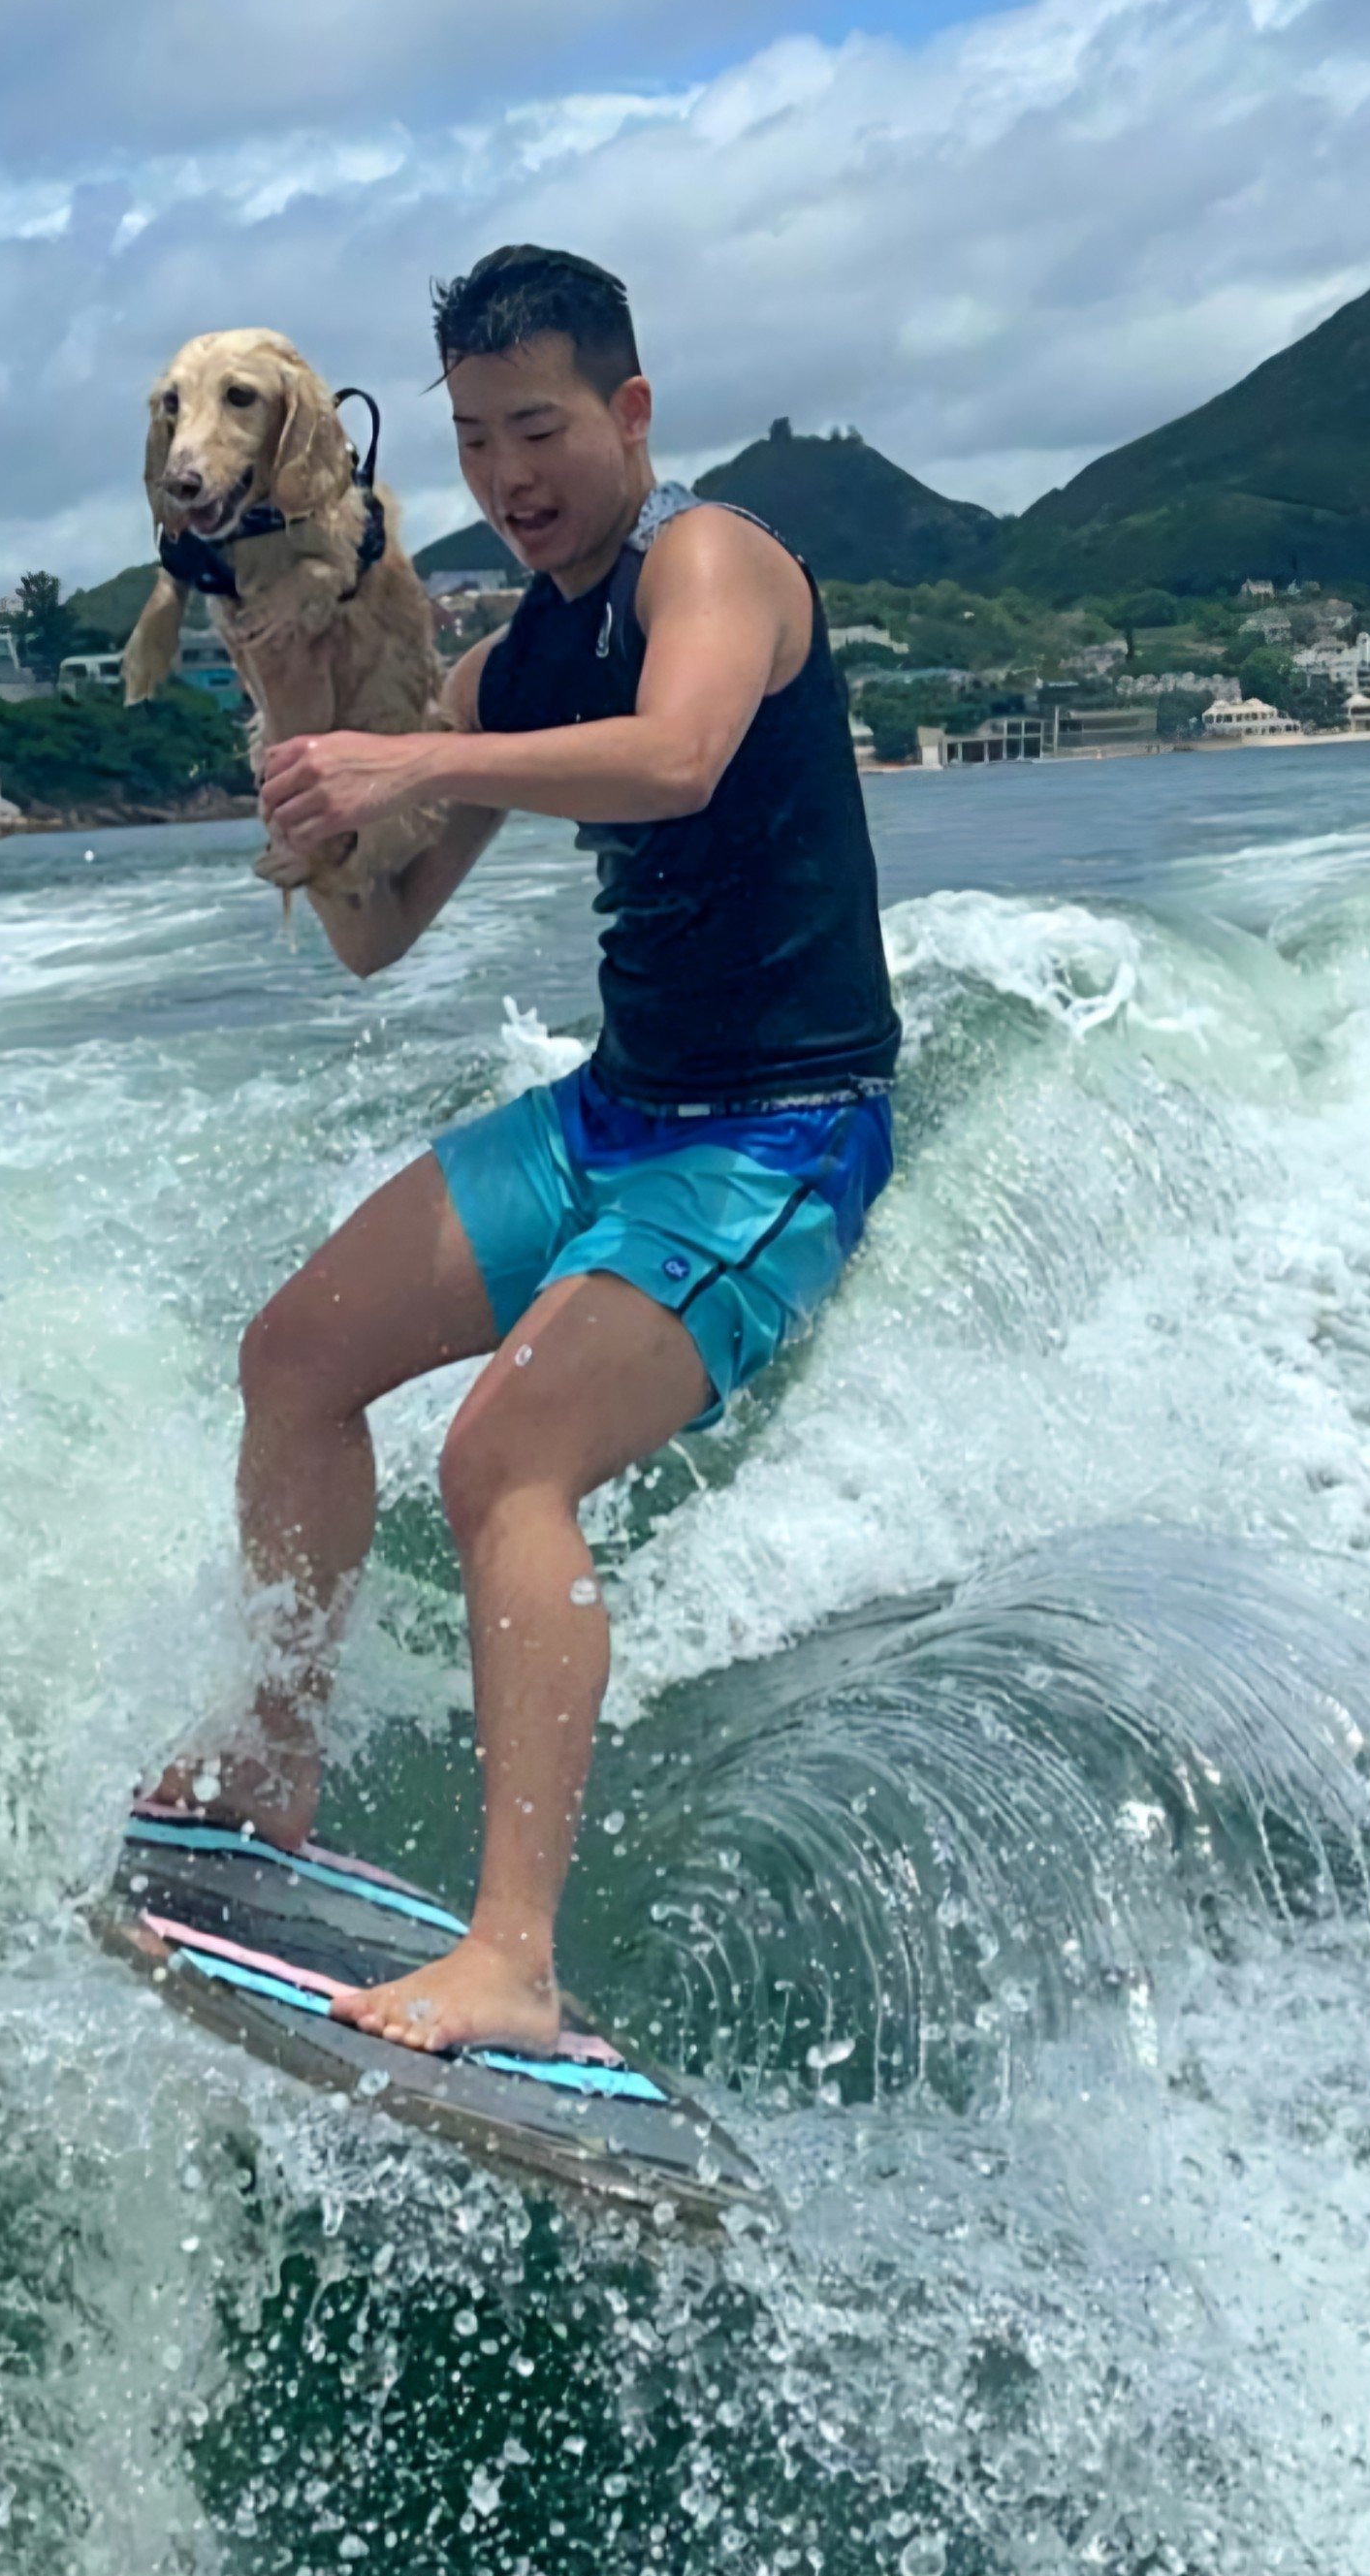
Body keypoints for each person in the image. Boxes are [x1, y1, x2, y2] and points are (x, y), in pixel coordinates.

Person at [156, 243, 900, 2056]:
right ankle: (269, 1768)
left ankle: (516, 1960)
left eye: (543, 427)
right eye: (478, 441)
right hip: (619, 1110)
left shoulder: (711, 561)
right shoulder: (510, 665)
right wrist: (298, 730)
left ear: (631, 413)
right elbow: (373, 935)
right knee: (297, 1359)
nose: (510, 477)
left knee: (501, 1462)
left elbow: (682, 758)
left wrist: (416, 769)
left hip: (779, 1137)